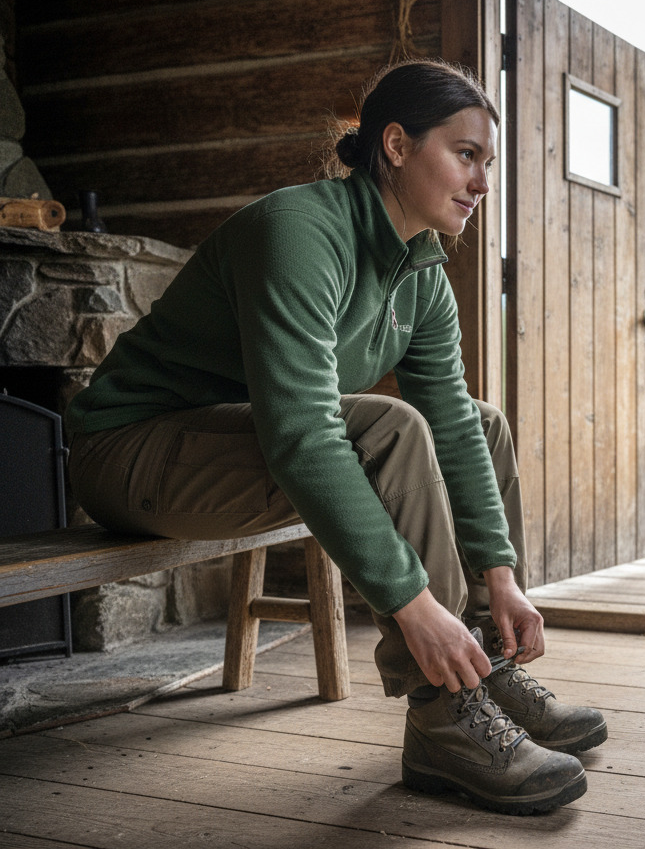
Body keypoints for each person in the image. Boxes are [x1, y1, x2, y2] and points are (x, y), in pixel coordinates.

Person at [64, 59, 605, 815]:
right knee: (389, 426)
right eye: (466, 155)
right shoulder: (299, 232)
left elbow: (454, 421)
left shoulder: (421, 272)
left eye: (488, 163)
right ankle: (445, 713)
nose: (483, 182)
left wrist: (501, 575)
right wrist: (415, 605)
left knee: (481, 422)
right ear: (396, 145)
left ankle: (484, 660)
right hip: (129, 452)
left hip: (229, 446)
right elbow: (303, 437)